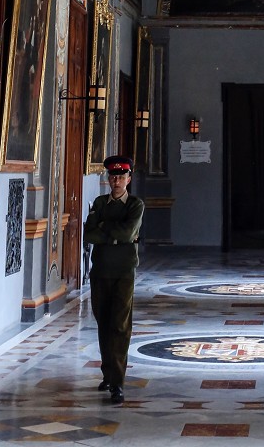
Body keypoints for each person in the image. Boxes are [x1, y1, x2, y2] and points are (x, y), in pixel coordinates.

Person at [83, 156, 144, 406]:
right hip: (101, 271)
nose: (116, 181)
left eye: (121, 177)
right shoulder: (99, 202)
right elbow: (89, 234)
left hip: (123, 272)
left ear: (128, 179)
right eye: (112, 177)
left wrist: (105, 229)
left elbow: (128, 232)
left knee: (119, 325)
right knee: (103, 323)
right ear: (108, 179)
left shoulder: (135, 205)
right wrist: (115, 233)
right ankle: (107, 374)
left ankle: (117, 382)